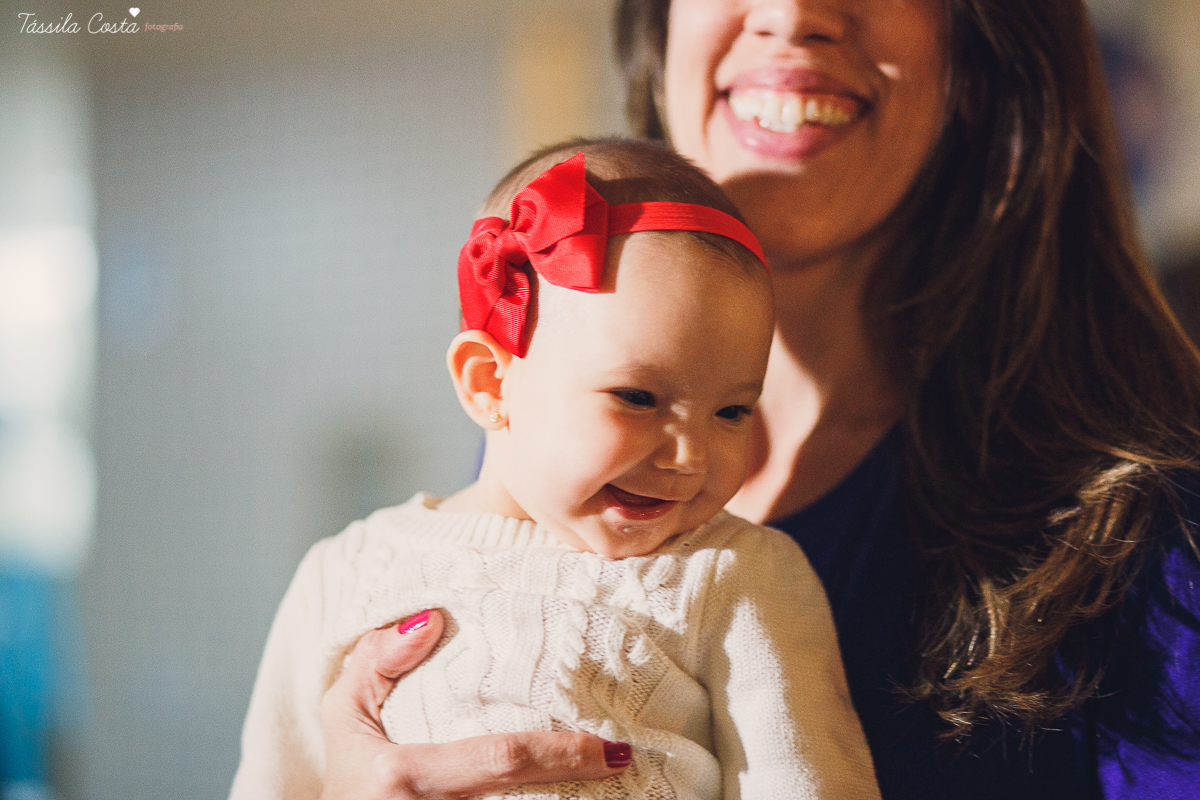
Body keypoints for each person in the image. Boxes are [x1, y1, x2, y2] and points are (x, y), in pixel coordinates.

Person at [313, 1, 1200, 798]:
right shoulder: (551, 445)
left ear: (988, 40)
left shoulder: (1154, 510)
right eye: (634, 398)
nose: (792, 13)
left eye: (726, 413)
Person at [230, 140, 882, 800]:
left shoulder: (735, 575)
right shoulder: (344, 573)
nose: (691, 456)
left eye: (733, 410)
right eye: (637, 398)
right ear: (489, 383)